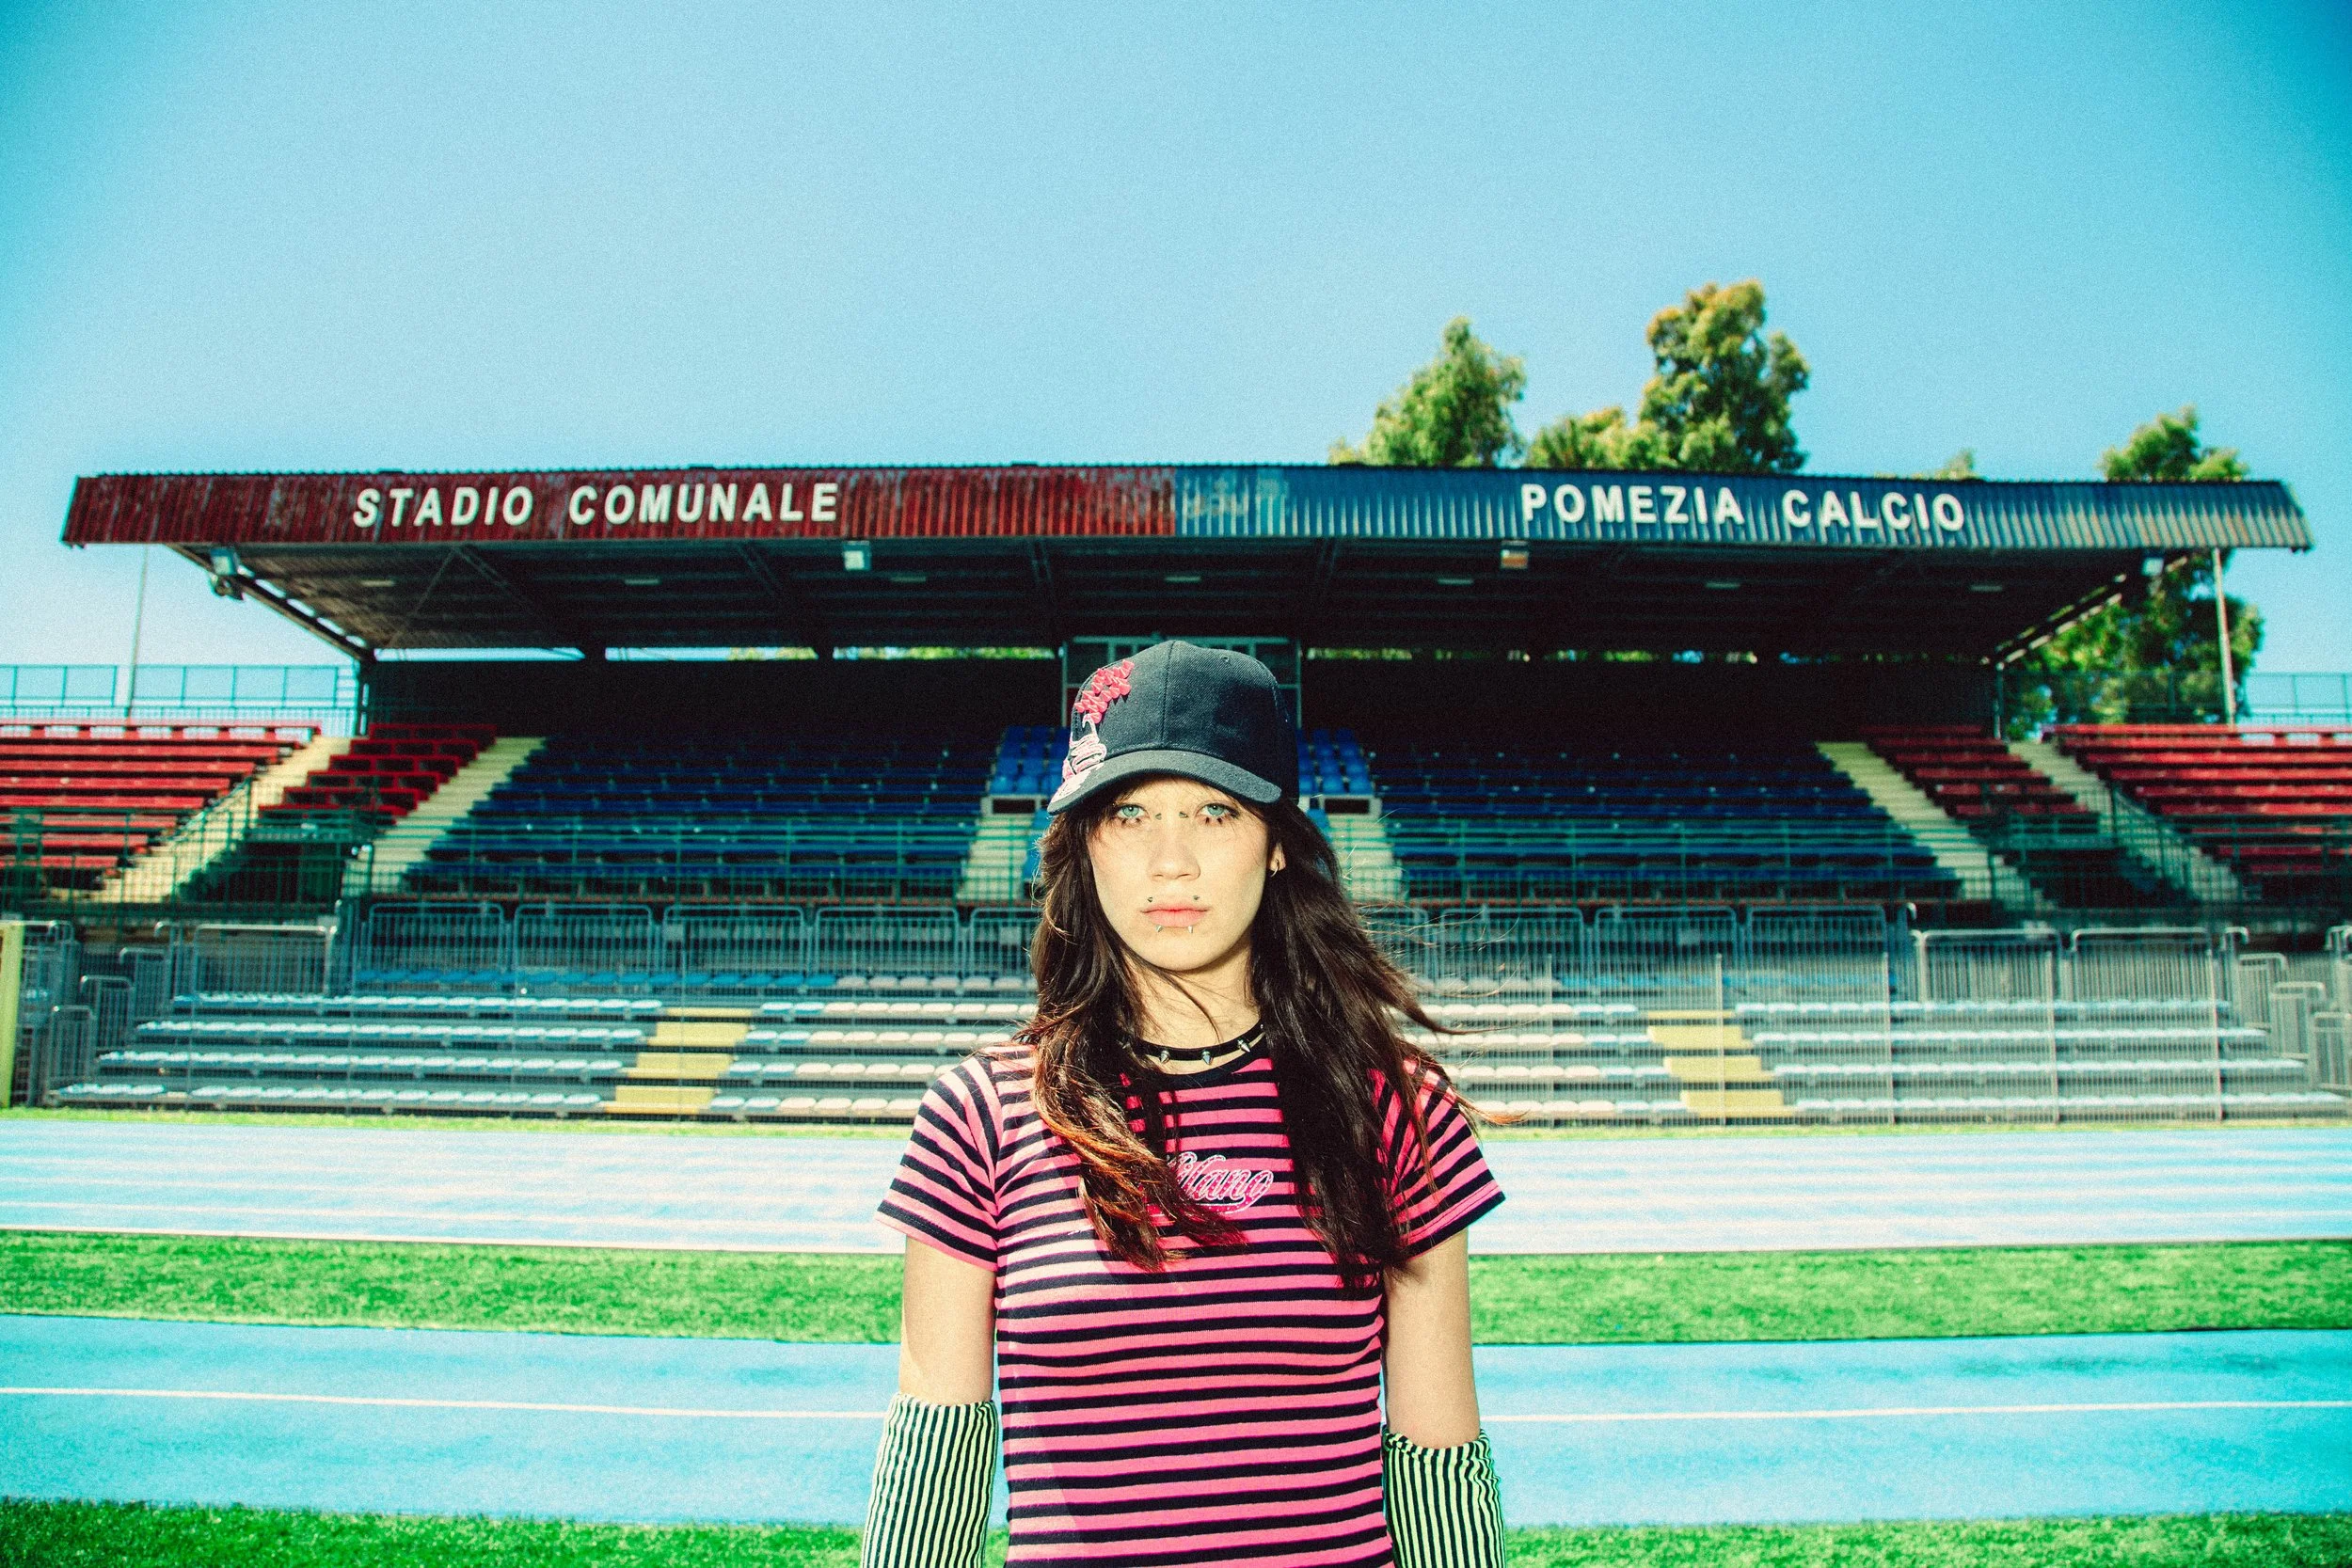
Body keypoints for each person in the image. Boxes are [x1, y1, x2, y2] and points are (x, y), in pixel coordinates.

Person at [863, 641, 1507, 1568]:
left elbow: (1437, 1450)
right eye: (1128, 814)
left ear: (1277, 840)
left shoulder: (1395, 1107)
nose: (1172, 861)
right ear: (1084, 843)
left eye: (1214, 810)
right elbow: (938, 1456)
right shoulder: (982, 1110)